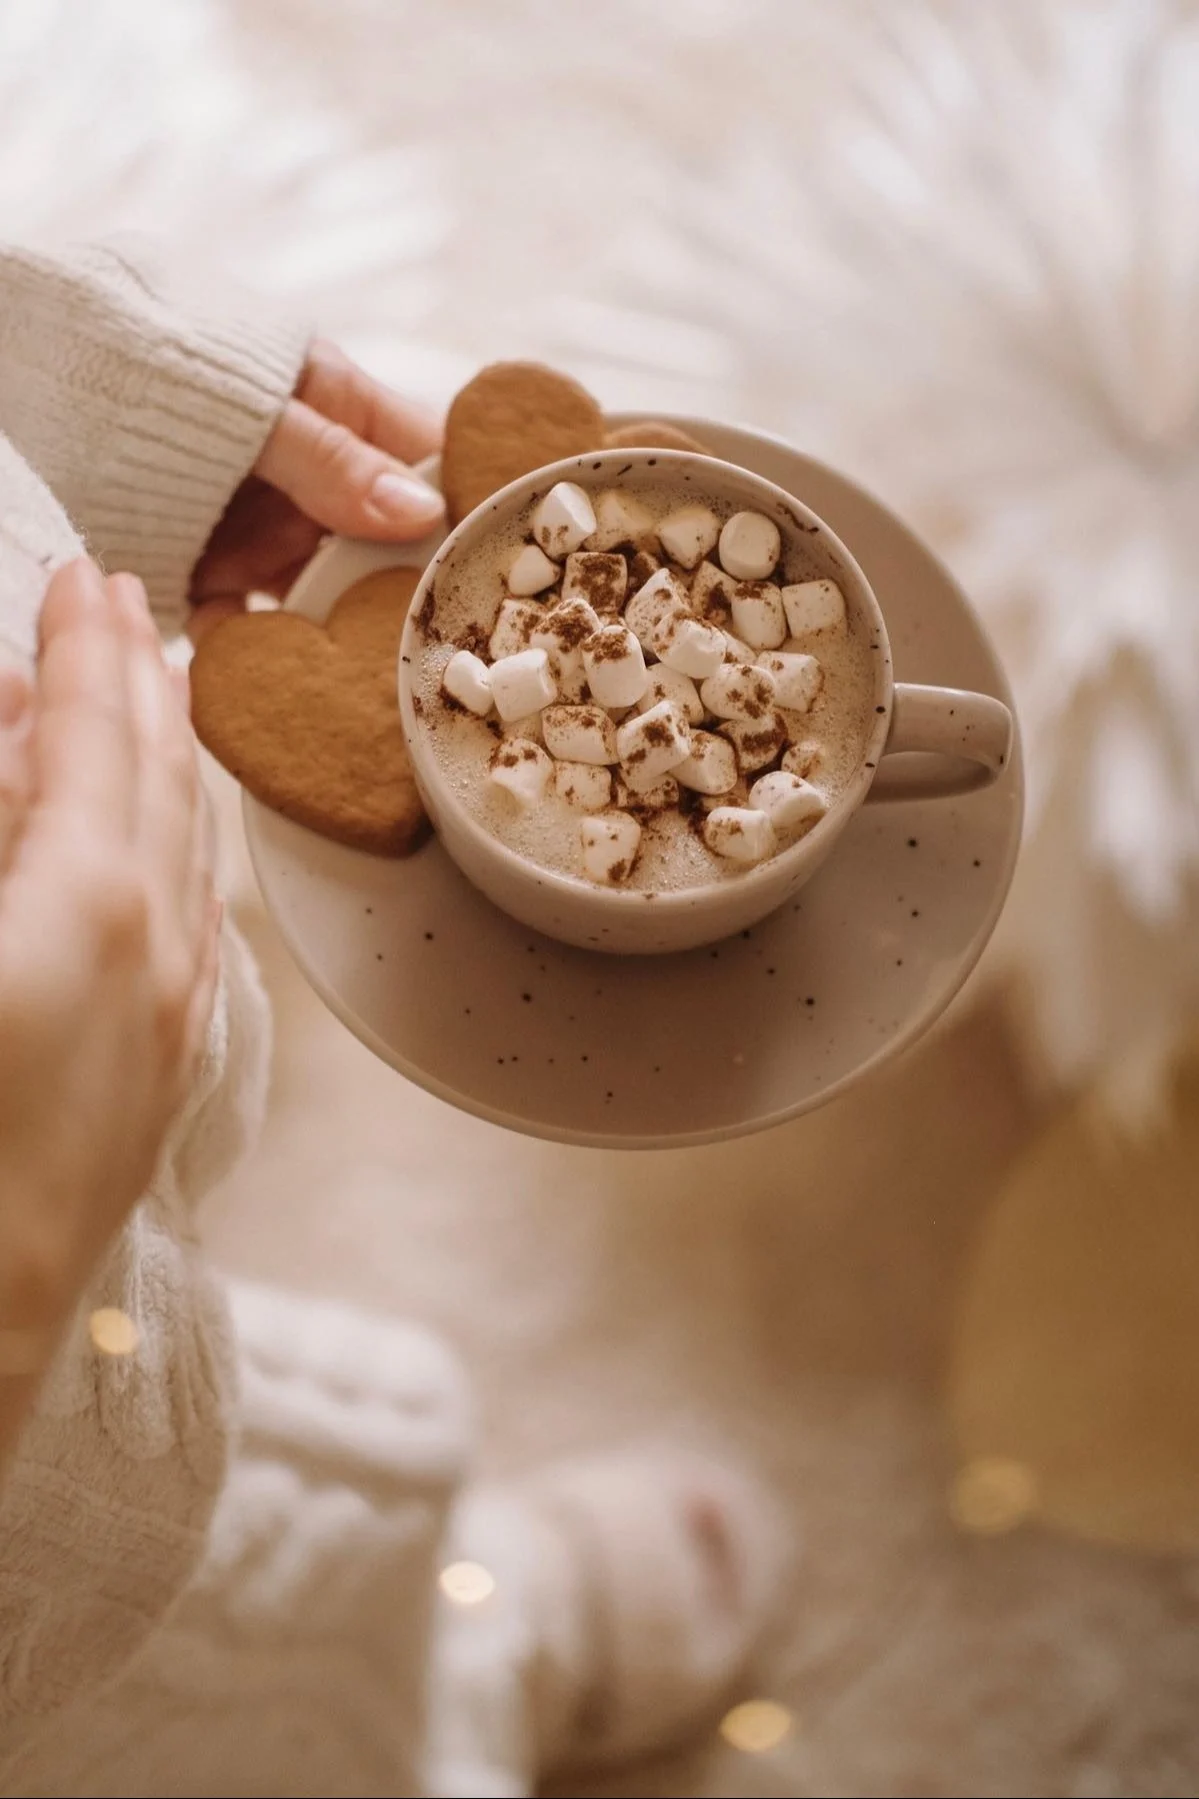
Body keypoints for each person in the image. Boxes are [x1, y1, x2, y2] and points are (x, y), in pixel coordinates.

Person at [0, 237, 782, 1797]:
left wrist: (82, 407)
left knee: (194, 1399)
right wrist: (19, 1240)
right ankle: (411, 1708)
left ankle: (409, 1600)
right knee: (156, 1653)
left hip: (108, 1224)